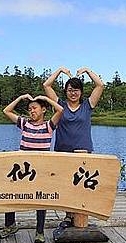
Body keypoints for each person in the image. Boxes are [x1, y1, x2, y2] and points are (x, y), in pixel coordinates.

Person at [0, 94, 64, 243]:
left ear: (43, 110)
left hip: (40, 170)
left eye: (34, 108)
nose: (31, 111)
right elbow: (6, 111)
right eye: (29, 109)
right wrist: (20, 98)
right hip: (22, 170)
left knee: (40, 200)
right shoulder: (25, 124)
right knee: (11, 195)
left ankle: (39, 232)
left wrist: (46, 99)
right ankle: (10, 225)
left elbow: (61, 110)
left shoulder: (48, 126)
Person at [43, 66, 104, 225]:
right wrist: (60, 71)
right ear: (66, 91)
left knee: (82, 186)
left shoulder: (87, 106)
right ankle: (69, 215)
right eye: (70, 90)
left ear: (81, 92)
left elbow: (100, 86)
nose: (73, 93)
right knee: (65, 185)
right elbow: (46, 86)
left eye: (76, 90)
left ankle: (81, 215)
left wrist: (87, 71)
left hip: (82, 152)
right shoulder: (60, 105)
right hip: (62, 151)